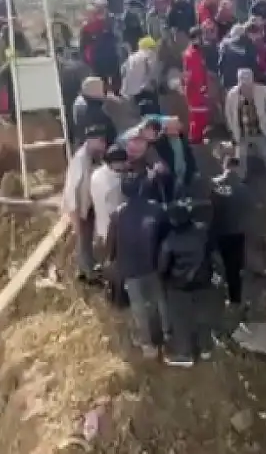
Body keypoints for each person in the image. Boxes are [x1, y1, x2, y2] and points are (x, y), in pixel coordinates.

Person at [106, 174, 172, 358]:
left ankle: (147, 344)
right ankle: (167, 333)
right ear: (142, 188)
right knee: (160, 299)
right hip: (153, 263)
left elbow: (111, 244)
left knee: (138, 306)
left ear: (123, 192)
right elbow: (166, 235)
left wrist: (110, 260)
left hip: (130, 267)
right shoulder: (156, 209)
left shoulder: (117, 214)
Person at [158, 200, 219, 367]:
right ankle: (206, 348)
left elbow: (162, 267)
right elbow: (213, 253)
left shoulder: (169, 241)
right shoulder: (203, 231)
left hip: (179, 287)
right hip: (204, 282)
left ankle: (185, 355)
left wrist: (165, 280)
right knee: (203, 317)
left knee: (181, 321)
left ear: (173, 221)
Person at [209, 156, 257, 318]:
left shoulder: (213, 184)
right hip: (236, 234)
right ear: (236, 168)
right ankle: (234, 301)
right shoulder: (243, 188)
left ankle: (216, 297)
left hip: (216, 232)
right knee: (234, 269)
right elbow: (252, 208)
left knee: (214, 265)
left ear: (224, 166)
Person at [62, 124, 111, 282]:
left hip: (90, 205)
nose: (103, 144)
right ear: (90, 140)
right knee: (83, 240)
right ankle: (86, 273)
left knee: (88, 240)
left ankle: (88, 268)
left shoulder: (96, 156)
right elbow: (71, 192)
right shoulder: (80, 160)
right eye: (100, 141)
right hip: (80, 207)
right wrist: (75, 218)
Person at [225, 68, 266, 183]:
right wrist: (232, 129)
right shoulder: (232, 94)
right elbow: (228, 113)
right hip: (242, 132)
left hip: (259, 130)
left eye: (248, 83)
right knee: (241, 157)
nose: (246, 86)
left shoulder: (263, 90)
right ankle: (242, 178)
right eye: (243, 83)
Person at [90, 143, 127, 266]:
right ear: (112, 162)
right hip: (112, 226)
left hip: (102, 225)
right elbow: (116, 207)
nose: (124, 164)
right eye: (121, 162)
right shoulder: (113, 182)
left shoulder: (96, 174)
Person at [152, 115, 197, 200]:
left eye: (177, 125)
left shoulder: (182, 139)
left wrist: (194, 169)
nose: (178, 128)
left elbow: (189, 155)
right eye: (174, 126)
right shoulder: (160, 143)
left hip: (185, 175)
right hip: (170, 177)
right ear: (166, 129)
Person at [182, 27, 210, 144]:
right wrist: (202, 89)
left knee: (200, 116)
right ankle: (195, 140)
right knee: (198, 117)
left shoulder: (195, 52)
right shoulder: (192, 54)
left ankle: (197, 138)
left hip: (197, 90)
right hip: (195, 91)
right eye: (201, 37)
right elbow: (195, 75)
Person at [120, 36, 161, 116]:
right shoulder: (150, 54)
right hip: (145, 92)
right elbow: (154, 73)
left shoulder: (131, 57)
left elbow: (122, 71)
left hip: (130, 94)